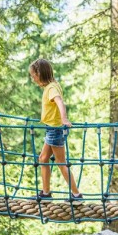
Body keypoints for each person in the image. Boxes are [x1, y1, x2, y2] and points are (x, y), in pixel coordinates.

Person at [29, 58, 83, 201]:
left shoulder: (52, 88)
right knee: (43, 158)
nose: (32, 78)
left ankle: (76, 195)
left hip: (54, 129)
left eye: (33, 74)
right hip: (51, 129)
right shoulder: (52, 85)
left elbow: (59, 102)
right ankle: (46, 193)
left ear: (40, 74)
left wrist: (64, 119)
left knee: (60, 162)